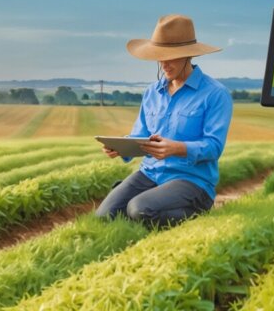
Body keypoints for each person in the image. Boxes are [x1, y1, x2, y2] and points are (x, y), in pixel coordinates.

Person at [96, 14, 233, 227]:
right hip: (150, 172)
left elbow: (214, 147)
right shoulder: (152, 92)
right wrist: (121, 147)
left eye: (170, 57)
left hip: (191, 179)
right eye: (159, 57)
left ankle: (198, 212)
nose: (164, 64)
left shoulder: (215, 94)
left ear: (188, 55)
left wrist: (177, 148)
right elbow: (140, 134)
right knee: (105, 216)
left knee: (139, 209)